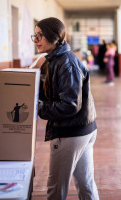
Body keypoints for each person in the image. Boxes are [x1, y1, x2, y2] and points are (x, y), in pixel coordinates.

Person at [31, 17, 99, 200]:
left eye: (40, 35)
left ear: (54, 37)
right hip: (83, 129)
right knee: (86, 184)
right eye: (35, 36)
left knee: (56, 189)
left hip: (71, 133)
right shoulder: (55, 60)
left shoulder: (65, 62)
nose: (36, 40)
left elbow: (69, 105)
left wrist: (38, 107)